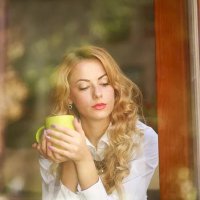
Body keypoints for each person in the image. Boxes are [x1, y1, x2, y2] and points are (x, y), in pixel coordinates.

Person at [32, 45, 158, 200]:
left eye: (104, 83)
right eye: (84, 87)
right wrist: (69, 158)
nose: (98, 94)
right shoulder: (57, 139)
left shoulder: (143, 138)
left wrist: (83, 158)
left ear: (115, 88)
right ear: (69, 96)